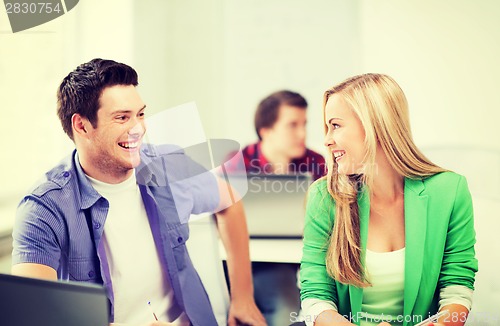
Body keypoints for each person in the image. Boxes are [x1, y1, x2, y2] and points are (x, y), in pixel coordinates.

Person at [11, 58, 266, 326]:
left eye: (141, 115)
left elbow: (229, 199)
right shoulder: (44, 209)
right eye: (122, 118)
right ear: (82, 125)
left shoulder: (166, 165)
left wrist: (243, 297)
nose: (139, 129)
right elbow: (34, 316)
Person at [299, 74, 478, 326]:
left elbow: (457, 289)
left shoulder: (450, 191)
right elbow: (315, 299)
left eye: (336, 125)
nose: (327, 140)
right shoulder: (324, 197)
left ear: (375, 125)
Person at [226, 90, 326, 326]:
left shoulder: (316, 163)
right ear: (266, 131)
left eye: (304, 124)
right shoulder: (238, 164)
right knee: (282, 310)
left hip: (296, 261)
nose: (302, 133)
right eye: (292, 125)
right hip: (249, 261)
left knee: (291, 311)